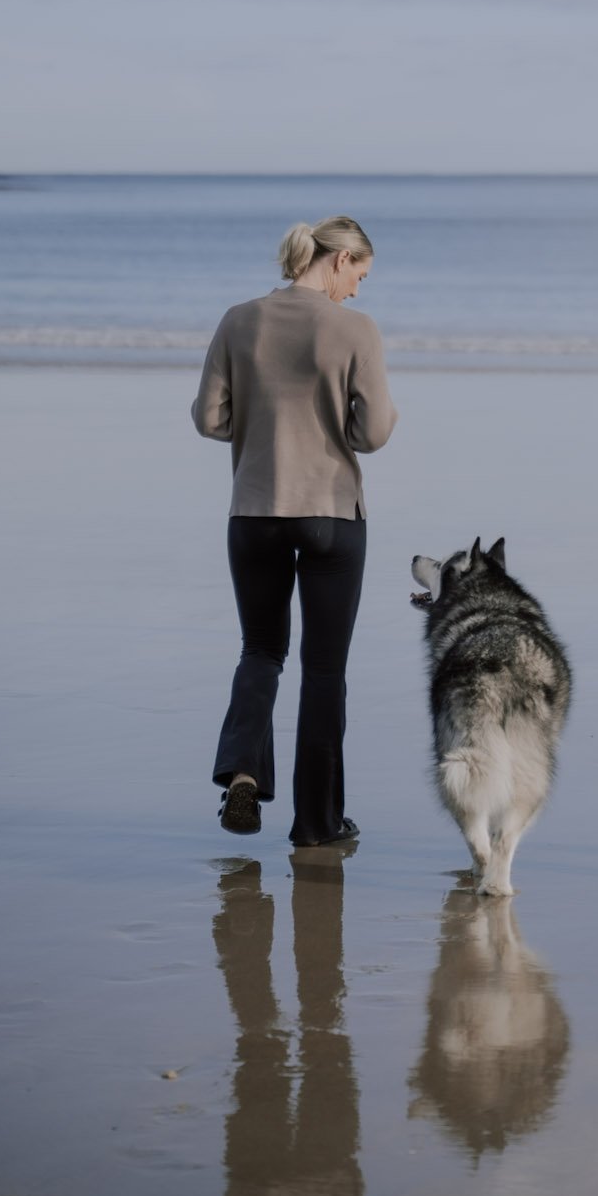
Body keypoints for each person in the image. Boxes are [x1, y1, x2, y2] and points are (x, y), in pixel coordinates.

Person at [193, 216, 397, 846]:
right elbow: (374, 433)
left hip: (254, 513)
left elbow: (208, 418)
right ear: (340, 260)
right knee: (324, 671)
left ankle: (244, 775)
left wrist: (258, 428)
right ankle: (317, 825)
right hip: (331, 514)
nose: (358, 292)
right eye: (359, 275)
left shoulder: (238, 319)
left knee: (261, 651)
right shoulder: (355, 330)